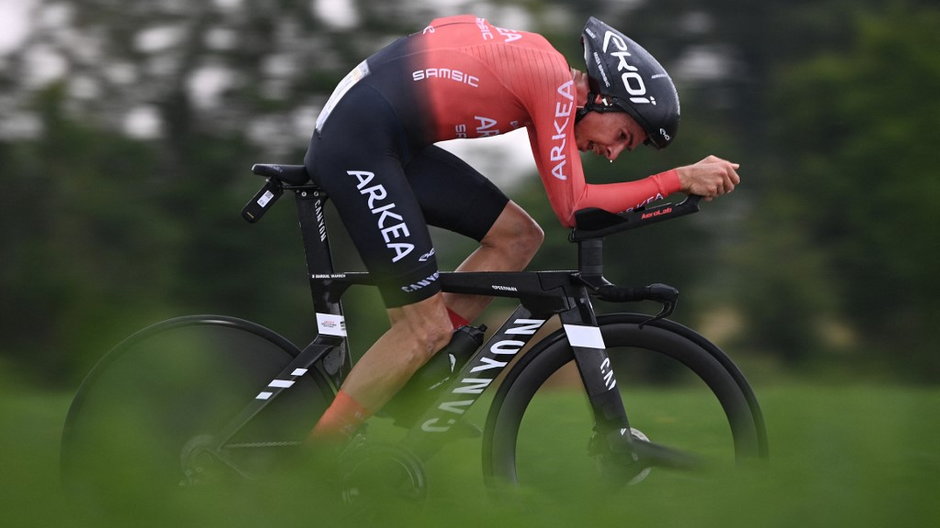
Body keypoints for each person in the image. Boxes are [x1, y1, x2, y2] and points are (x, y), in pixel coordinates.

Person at [304, 15, 740, 443]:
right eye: (623, 136)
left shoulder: (541, 68)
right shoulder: (549, 82)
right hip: (361, 142)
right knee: (424, 329)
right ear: (603, 98)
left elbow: (446, 27)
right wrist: (677, 179)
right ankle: (316, 458)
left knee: (518, 236)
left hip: (385, 138)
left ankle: (420, 374)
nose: (612, 153)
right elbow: (576, 208)